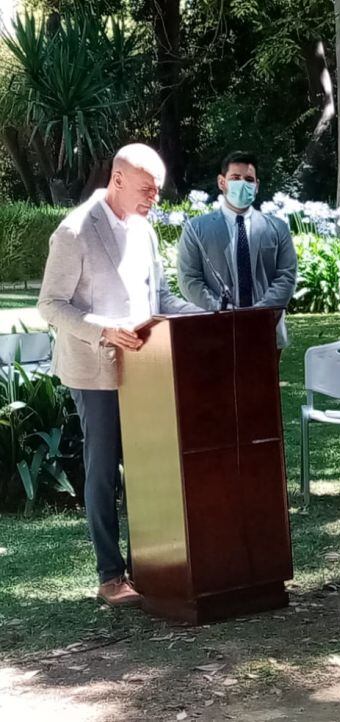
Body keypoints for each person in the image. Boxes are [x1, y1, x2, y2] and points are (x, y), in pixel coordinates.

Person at [37, 144, 202, 607]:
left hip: (148, 370)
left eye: (158, 189)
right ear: (119, 179)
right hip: (94, 370)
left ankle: (152, 564)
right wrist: (104, 331)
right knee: (104, 471)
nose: (155, 196)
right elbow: (50, 305)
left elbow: (161, 299)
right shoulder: (73, 231)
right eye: (148, 187)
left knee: (153, 467)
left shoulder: (145, 229)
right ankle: (111, 575)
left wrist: (208, 316)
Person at [177, 151, 297, 352]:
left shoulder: (277, 228)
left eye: (249, 179)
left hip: (266, 331)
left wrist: (259, 314)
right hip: (215, 331)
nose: (242, 183)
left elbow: (286, 276)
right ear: (222, 182)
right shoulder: (196, 229)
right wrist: (221, 311)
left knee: (262, 384)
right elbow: (189, 278)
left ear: (256, 186)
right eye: (235, 178)